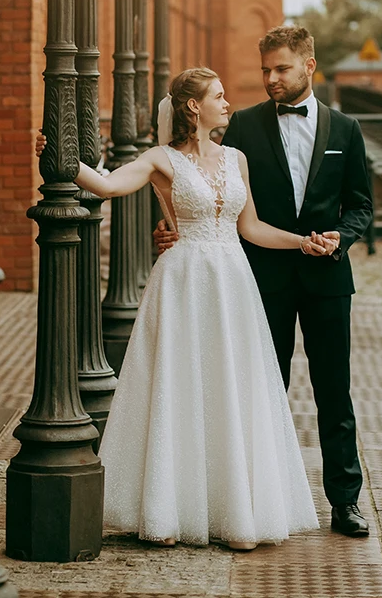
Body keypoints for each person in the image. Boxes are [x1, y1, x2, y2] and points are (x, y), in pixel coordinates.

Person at [39, 67, 320, 549]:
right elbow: (106, 187)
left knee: (230, 386)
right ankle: (171, 509)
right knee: (182, 385)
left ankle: (236, 514)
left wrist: (303, 243)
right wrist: (57, 156)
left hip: (232, 282)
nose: (227, 102)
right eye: (219, 95)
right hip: (183, 280)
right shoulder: (160, 160)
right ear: (194, 107)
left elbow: (250, 228)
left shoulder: (237, 159)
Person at [156, 27, 373, 538]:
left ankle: (345, 503)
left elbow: (361, 204)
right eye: (265, 71)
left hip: (327, 279)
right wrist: (173, 224)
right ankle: (252, 499)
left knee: (334, 394)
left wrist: (341, 236)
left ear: (309, 66)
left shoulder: (346, 129)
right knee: (258, 390)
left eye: (281, 69)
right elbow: (187, 169)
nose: (271, 79)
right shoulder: (243, 126)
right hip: (257, 279)